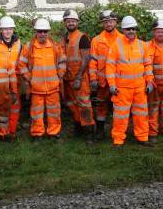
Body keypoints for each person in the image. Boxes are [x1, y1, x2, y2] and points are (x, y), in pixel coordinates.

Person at [106, 15, 154, 148]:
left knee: (141, 115)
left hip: (140, 88)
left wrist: (149, 82)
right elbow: (110, 66)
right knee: (120, 116)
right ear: (123, 30)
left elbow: (147, 65)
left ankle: (143, 137)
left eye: (133, 29)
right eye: (128, 29)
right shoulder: (116, 46)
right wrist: (112, 84)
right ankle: (118, 140)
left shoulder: (142, 45)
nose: (131, 31)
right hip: (122, 88)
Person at [18, 19, 66, 144]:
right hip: (36, 89)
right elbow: (21, 64)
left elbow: (63, 61)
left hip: (53, 88)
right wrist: (28, 77)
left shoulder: (55, 46)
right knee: (36, 114)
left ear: (49, 32)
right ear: (35, 32)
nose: (43, 34)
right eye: (40, 31)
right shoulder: (28, 47)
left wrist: (59, 74)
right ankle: (37, 135)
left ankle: (53, 134)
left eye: (45, 31)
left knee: (54, 112)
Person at [59, 10, 96, 146]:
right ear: (65, 23)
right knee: (70, 105)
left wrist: (79, 77)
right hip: (66, 78)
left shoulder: (83, 37)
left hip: (80, 78)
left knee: (84, 105)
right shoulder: (62, 39)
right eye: (68, 21)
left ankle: (89, 134)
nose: (71, 23)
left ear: (77, 22)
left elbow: (85, 59)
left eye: (73, 21)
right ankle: (78, 129)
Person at [89, 10, 122, 140]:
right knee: (101, 105)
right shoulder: (97, 40)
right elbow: (93, 61)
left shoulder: (122, 38)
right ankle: (100, 131)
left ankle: (119, 131)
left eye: (111, 21)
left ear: (116, 22)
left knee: (119, 106)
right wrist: (93, 78)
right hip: (102, 81)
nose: (109, 24)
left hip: (119, 79)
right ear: (103, 24)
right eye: (106, 22)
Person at [0, 16, 22, 137]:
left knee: (15, 108)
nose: (8, 31)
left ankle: (11, 132)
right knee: (1, 108)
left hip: (15, 82)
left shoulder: (18, 43)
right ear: (1, 29)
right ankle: (1, 133)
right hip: (0, 81)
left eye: (10, 29)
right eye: (5, 29)